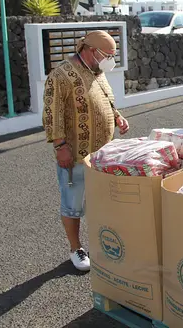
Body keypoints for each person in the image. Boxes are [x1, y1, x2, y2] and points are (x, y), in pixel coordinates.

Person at [42, 30, 130, 271]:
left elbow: (104, 100)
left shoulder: (96, 72)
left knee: (100, 202)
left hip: (102, 155)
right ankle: (75, 248)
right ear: (91, 50)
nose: (110, 59)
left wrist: (117, 116)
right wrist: (60, 147)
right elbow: (53, 113)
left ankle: (99, 243)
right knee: (73, 204)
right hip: (76, 155)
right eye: (107, 54)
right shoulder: (61, 74)